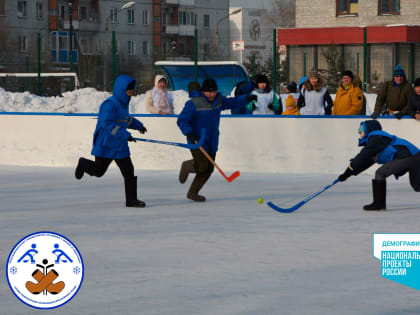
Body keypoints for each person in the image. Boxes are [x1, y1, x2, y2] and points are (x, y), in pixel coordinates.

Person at [177, 78, 256, 201]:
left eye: (214, 91)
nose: (212, 94)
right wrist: (189, 133)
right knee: (202, 166)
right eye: (209, 92)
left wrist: (246, 99)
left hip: (212, 141)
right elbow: (182, 120)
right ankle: (187, 166)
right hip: (197, 140)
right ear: (203, 91)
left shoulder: (218, 101)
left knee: (209, 169)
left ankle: (193, 193)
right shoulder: (194, 103)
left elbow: (233, 102)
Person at [75, 75, 147, 208]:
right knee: (98, 172)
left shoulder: (124, 105)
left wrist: (139, 126)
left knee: (129, 171)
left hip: (120, 146)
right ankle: (83, 163)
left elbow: (126, 120)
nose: (131, 93)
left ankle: (131, 200)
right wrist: (125, 134)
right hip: (106, 144)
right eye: (128, 90)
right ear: (121, 90)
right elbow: (108, 125)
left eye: (132, 91)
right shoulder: (109, 105)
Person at [338, 120, 420, 211]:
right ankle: (378, 204)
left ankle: (378, 204)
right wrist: (348, 174)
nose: (360, 134)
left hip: (408, 157)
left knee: (380, 173)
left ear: (368, 130)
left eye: (361, 131)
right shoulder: (378, 140)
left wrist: (347, 171)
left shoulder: (376, 136)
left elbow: (362, 156)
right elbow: (365, 162)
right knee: (417, 186)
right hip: (415, 157)